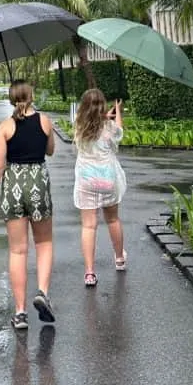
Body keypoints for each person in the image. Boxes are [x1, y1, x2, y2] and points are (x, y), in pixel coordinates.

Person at [0, 79, 56, 330]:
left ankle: (21, 312)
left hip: (13, 185)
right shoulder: (45, 121)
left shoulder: (5, 127)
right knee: (44, 242)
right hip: (38, 182)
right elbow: (50, 151)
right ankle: (43, 293)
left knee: (18, 251)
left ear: (11, 98)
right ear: (31, 95)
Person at [73, 89, 127, 287]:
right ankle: (119, 258)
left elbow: (91, 119)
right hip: (107, 181)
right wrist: (117, 112)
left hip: (87, 182)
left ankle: (89, 272)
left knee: (88, 225)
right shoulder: (110, 127)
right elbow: (119, 132)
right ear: (104, 106)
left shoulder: (79, 127)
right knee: (112, 219)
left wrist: (102, 115)